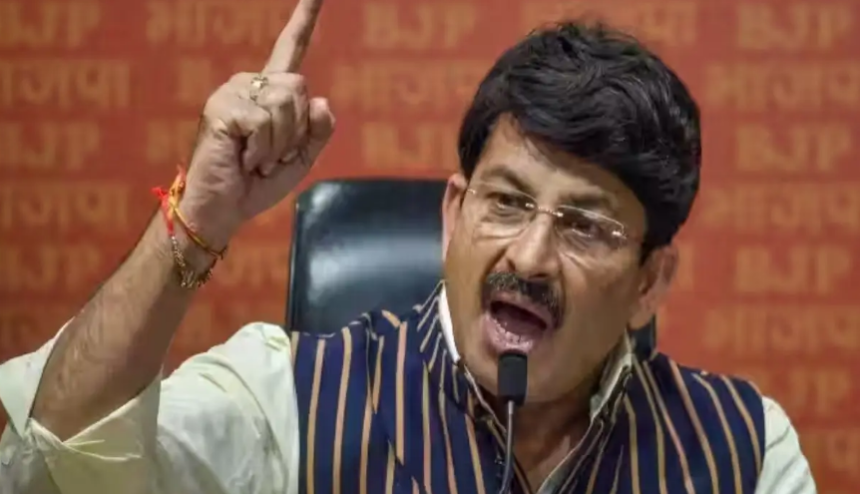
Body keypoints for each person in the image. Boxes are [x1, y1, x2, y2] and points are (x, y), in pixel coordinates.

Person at [0, 0, 816, 493]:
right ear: (452, 216)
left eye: (583, 226)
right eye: (506, 203)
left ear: (650, 282)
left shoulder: (741, 449)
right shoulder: (290, 400)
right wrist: (197, 220)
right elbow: (49, 469)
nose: (530, 258)